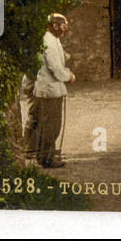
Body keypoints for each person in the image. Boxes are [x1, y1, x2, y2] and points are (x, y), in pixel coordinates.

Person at [32, 13, 75, 168]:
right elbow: (55, 68)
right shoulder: (49, 42)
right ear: (55, 25)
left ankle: (44, 156)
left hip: (51, 89)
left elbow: (58, 58)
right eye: (62, 25)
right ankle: (47, 159)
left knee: (49, 124)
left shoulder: (52, 39)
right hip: (49, 90)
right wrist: (69, 76)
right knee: (51, 126)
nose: (65, 29)